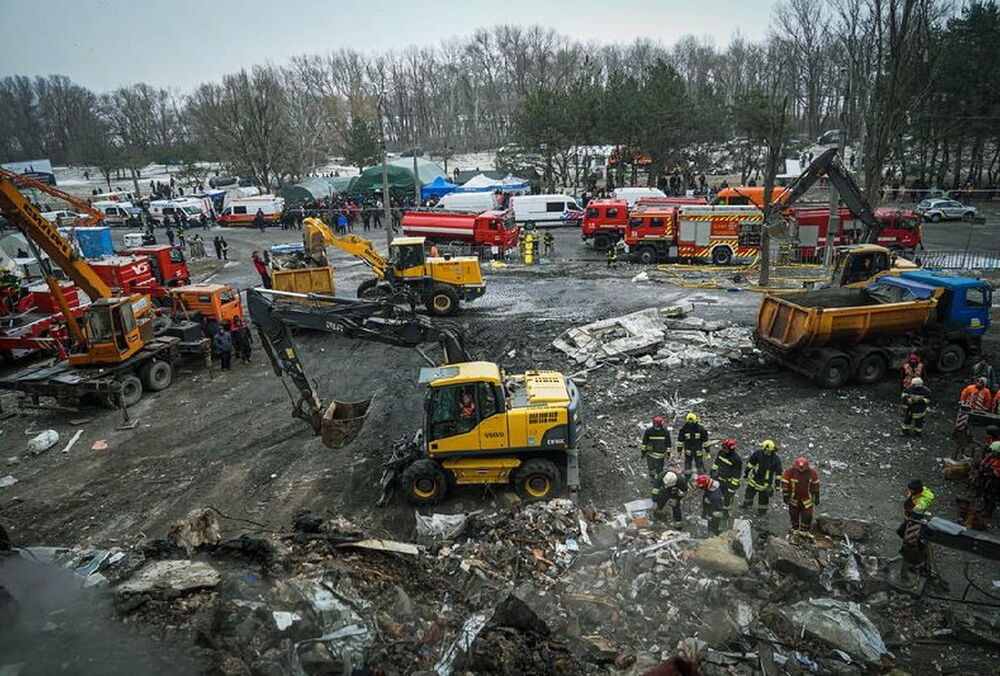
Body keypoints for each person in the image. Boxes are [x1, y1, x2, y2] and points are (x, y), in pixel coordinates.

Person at [742, 439, 782, 516]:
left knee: (763, 500)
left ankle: (762, 513)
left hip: (765, 482)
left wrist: (777, 486)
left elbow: (778, 474)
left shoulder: (776, 460)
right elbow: (751, 464)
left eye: (767, 450)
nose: (765, 452)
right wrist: (746, 472)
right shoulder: (758, 454)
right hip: (754, 478)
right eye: (764, 450)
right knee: (749, 494)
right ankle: (747, 506)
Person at [781, 457, 820, 532]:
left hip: (807, 500)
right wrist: (785, 495)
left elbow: (816, 484)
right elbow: (785, 482)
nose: (800, 470)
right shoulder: (790, 472)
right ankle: (795, 530)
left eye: (802, 469)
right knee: (793, 515)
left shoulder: (812, 473)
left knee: (807, 516)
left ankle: (804, 532)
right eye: (799, 468)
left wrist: (817, 496)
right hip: (794, 499)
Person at [710, 438, 742, 521]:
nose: (724, 450)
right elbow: (716, 463)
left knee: (727, 498)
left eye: (725, 449)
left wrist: (732, 486)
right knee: (717, 495)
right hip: (719, 479)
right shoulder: (721, 453)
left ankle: (725, 513)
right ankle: (716, 509)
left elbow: (737, 474)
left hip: (728, 482)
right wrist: (713, 471)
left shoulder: (736, 459)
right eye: (723, 448)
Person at [896, 514, 931, 584]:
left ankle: (904, 575)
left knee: (905, 561)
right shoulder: (923, 526)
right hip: (915, 549)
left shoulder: (909, 522)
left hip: (906, 547)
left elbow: (899, 531)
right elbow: (927, 536)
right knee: (916, 559)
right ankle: (911, 572)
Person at [641, 417, 671, 486]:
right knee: (659, 468)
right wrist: (668, 453)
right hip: (659, 454)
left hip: (651, 454)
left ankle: (655, 479)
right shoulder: (665, 431)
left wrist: (643, 452)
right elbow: (668, 443)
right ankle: (658, 480)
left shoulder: (649, 430)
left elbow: (645, 442)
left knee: (652, 467)